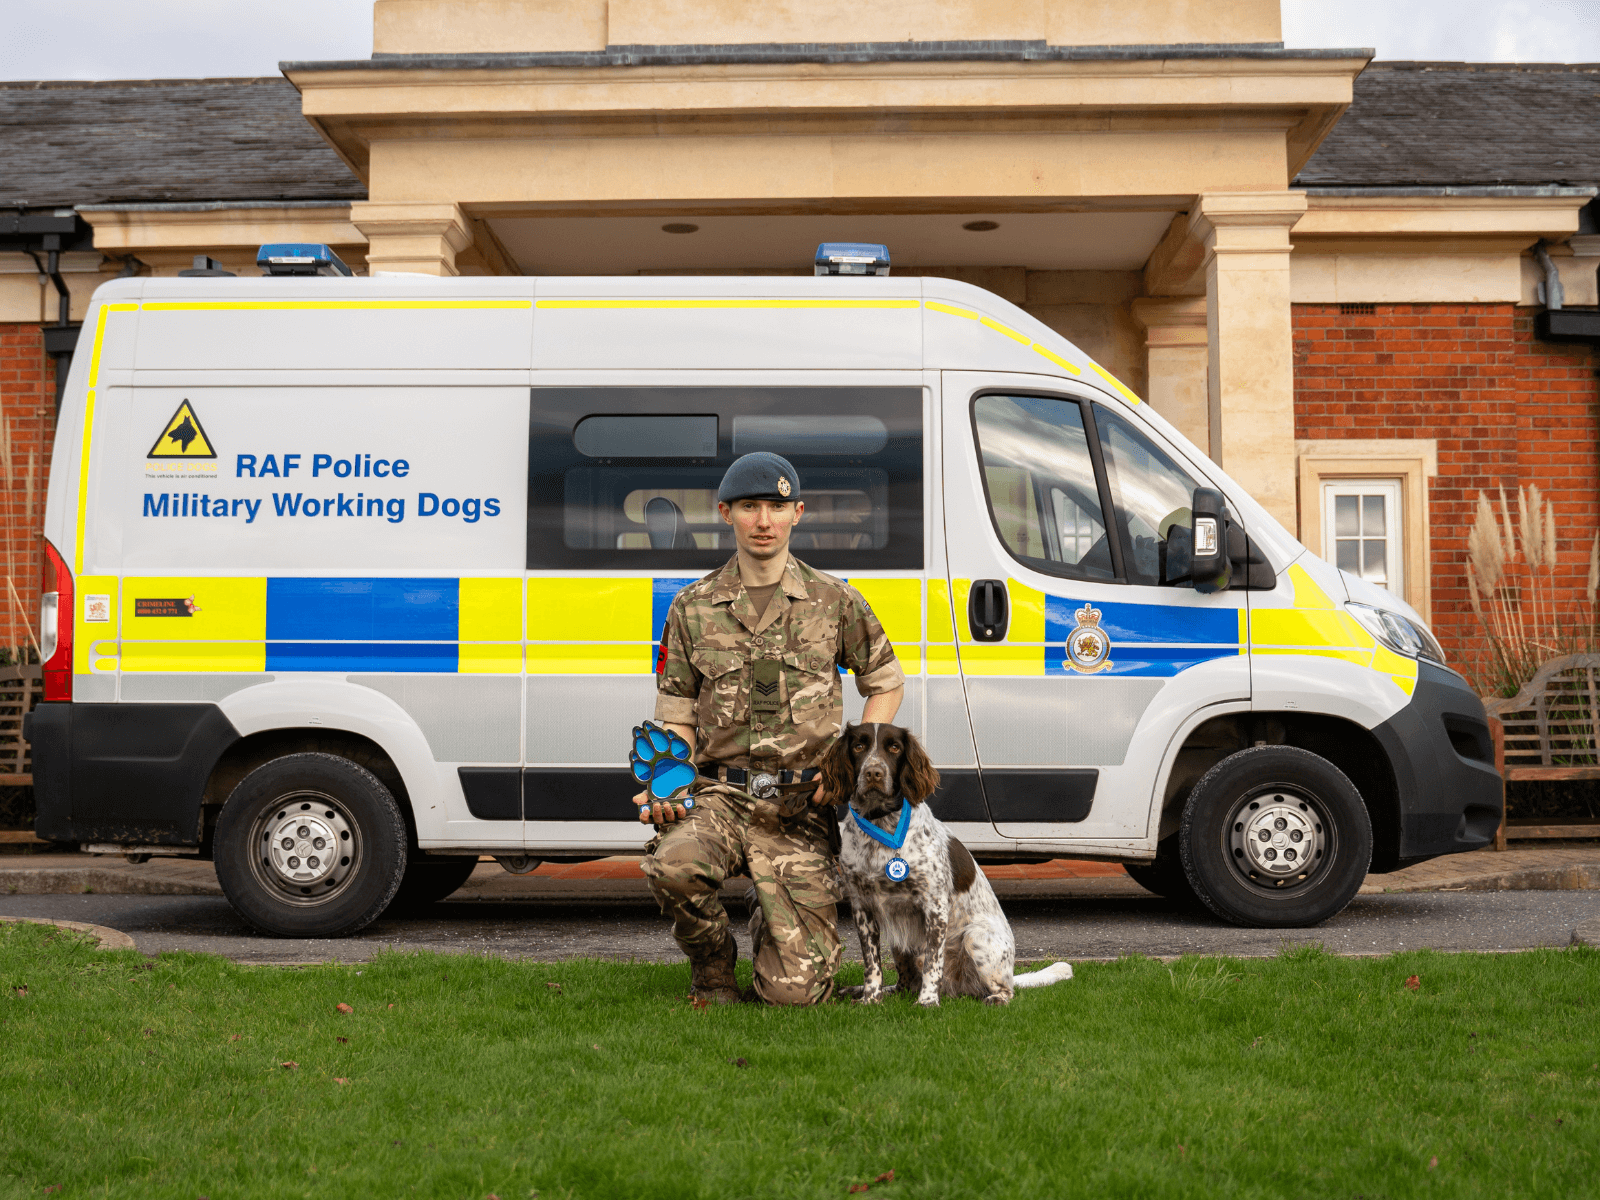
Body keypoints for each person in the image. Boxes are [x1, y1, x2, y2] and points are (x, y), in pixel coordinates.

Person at [639, 452, 905, 1005]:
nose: (764, 521)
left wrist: (850, 770)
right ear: (725, 513)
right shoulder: (691, 608)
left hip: (801, 806)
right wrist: (669, 783)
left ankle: (772, 911)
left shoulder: (835, 601)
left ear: (798, 513)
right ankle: (713, 967)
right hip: (721, 796)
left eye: (777, 507)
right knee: (672, 866)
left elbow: (886, 683)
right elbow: (679, 716)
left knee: (794, 996)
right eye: (749, 506)